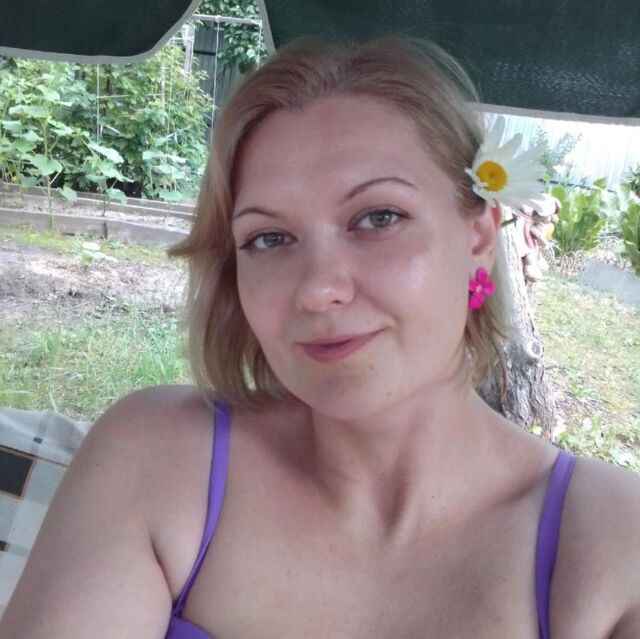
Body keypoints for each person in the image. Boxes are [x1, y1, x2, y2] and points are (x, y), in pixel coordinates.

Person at [2, 36, 639, 639]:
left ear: (477, 237)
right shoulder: (156, 458)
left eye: (378, 217)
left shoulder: (611, 546)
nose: (317, 289)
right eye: (269, 238)